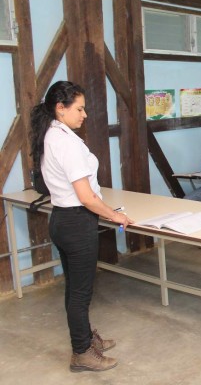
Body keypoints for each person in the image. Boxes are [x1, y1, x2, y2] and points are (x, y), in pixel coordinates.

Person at [30, 81, 133, 372]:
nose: (84, 114)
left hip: (62, 219)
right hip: (77, 222)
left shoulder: (51, 134)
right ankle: (81, 353)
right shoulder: (65, 141)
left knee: (74, 288)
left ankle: (85, 339)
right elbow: (86, 197)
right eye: (79, 108)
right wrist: (115, 216)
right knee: (80, 293)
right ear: (60, 109)